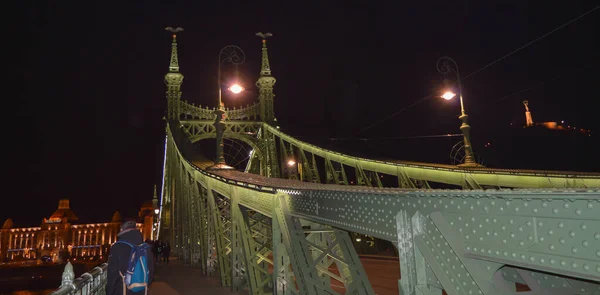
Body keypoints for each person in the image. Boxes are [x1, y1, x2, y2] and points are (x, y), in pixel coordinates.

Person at [107, 220, 155, 295]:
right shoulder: (146, 247)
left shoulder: (117, 247)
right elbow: (151, 272)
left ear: (122, 230)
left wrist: (109, 292)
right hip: (141, 290)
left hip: (122, 290)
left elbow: (112, 275)